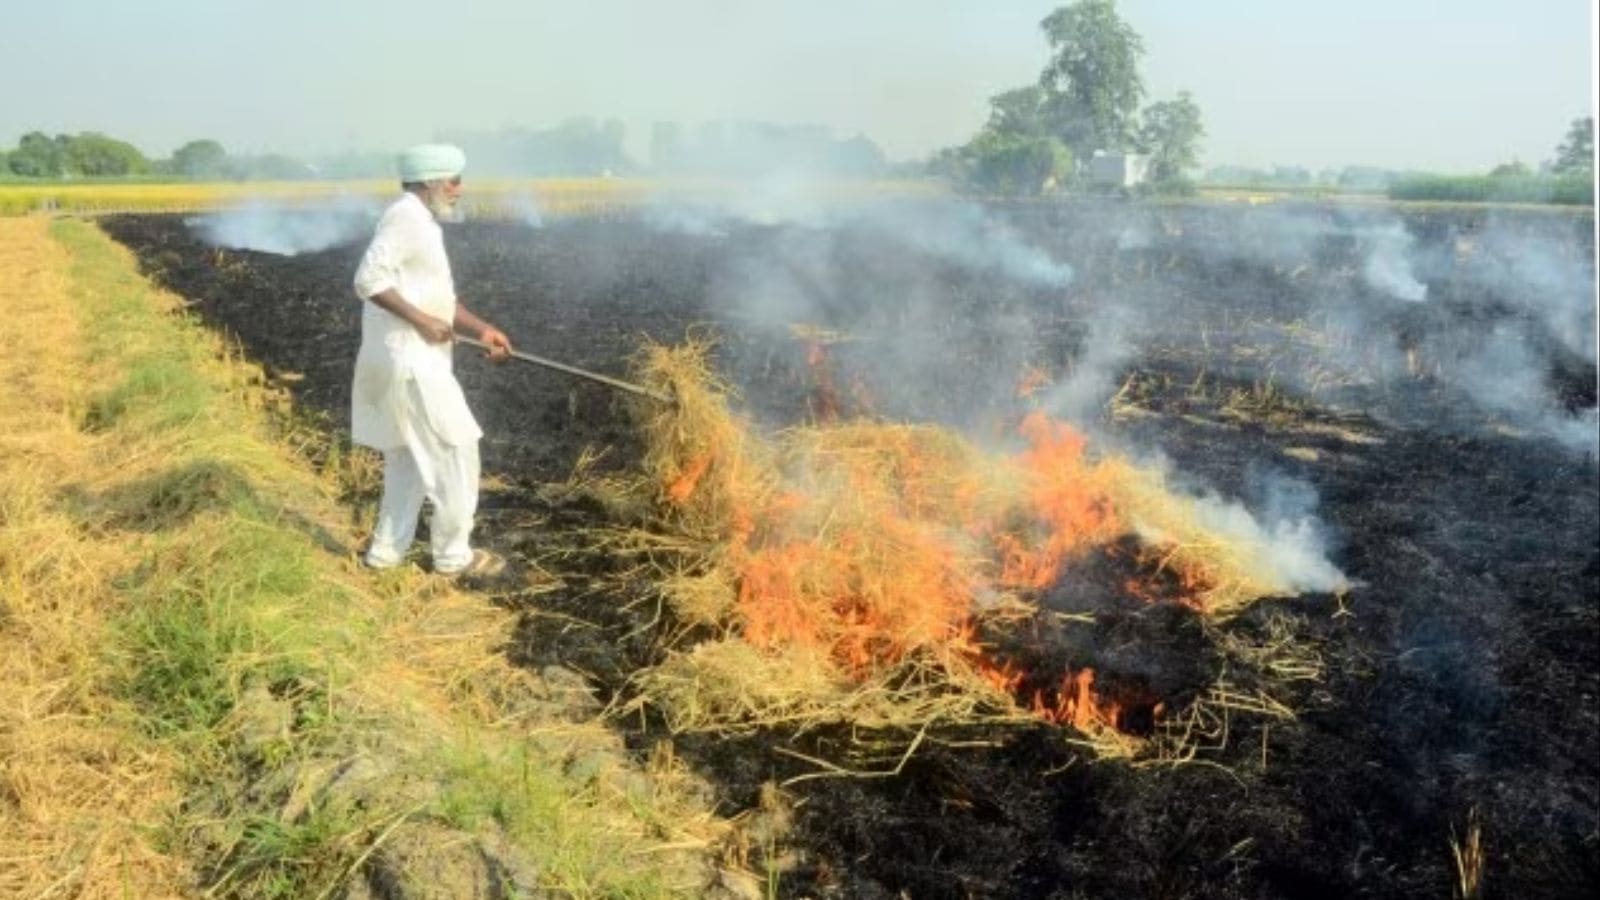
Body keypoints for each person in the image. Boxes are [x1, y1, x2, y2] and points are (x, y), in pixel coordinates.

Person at [351, 143, 512, 577]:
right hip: (411, 361)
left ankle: (385, 555)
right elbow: (369, 279)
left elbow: (442, 301)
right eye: (454, 180)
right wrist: (422, 321)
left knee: (409, 458)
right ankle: (454, 557)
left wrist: (480, 330)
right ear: (431, 182)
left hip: (413, 359)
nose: (460, 188)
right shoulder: (407, 218)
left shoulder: (420, 221)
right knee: (456, 449)